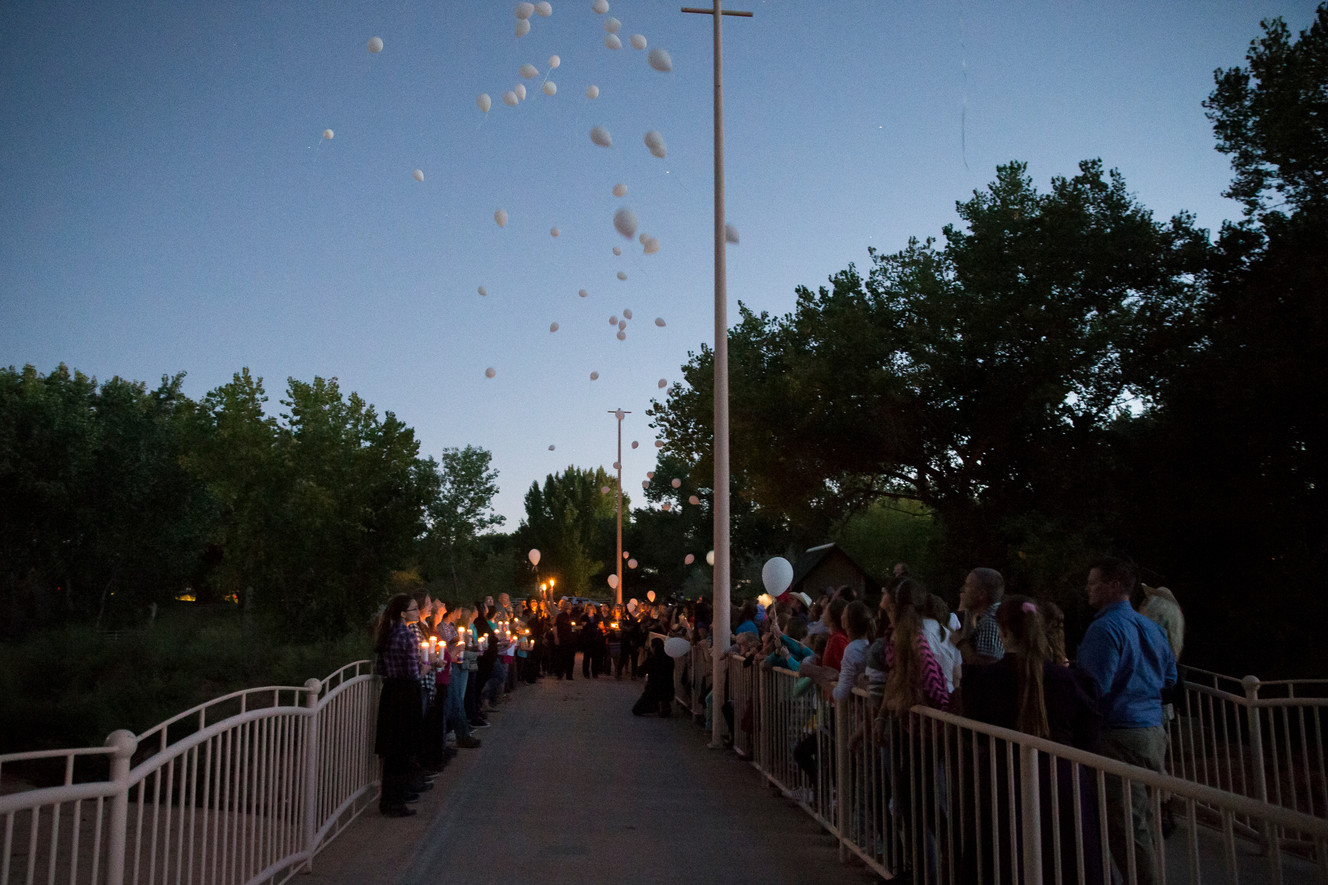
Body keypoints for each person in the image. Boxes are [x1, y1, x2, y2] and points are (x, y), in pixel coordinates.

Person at [958, 595, 1104, 884]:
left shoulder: (984, 681)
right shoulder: (1069, 680)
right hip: (1062, 780)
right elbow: (1089, 733)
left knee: (1005, 858)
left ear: (1004, 631)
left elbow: (971, 731)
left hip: (1004, 779)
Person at [1076, 557, 1178, 885]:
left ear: (1115, 584)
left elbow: (1093, 687)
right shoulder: (1152, 628)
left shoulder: (1105, 628)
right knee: (1145, 821)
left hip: (1118, 733)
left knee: (1125, 827)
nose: (1088, 589)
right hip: (1152, 731)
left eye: (1094, 583)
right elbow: (1170, 679)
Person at [373, 594, 426, 818]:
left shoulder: (386, 633)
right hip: (406, 694)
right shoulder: (407, 635)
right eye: (414, 609)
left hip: (390, 694)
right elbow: (414, 673)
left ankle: (389, 798)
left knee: (391, 746)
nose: (418, 612)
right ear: (404, 613)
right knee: (403, 746)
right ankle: (396, 800)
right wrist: (427, 665)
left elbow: (382, 669)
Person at [955, 567, 1005, 664]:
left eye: (967, 585)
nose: (962, 589)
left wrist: (960, 643)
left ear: (981, 594)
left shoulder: (989, 622)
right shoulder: (993, 616)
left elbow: (987, 666)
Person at [633, 637, 675, 717]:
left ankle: (656, 706)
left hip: (653, 690)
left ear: (654, 647)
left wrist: (641, 660)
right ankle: (663, 704)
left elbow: (640, 673)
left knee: (636, 710)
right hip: (667, 689)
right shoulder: (669, 659)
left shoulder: (652, 660)